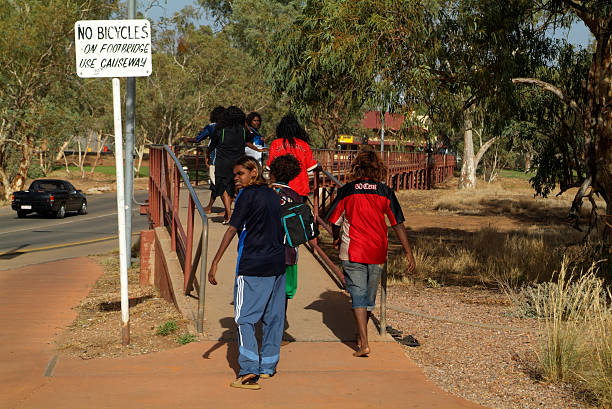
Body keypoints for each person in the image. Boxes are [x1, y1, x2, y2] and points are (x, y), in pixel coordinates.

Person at [325, 149, 416, 357]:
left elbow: (334, 220)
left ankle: (363, 340)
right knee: (367, 297)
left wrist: (336, 237)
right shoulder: (385, 192)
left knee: (357, 294)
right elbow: (398, 224)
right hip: (376, 250)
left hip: (352, 249)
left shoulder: (347, 190)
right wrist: (408, 252)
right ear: (379, 168)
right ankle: (362, 337)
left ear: (357, 167)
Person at [208, 156, 286, 390]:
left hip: (253, 265)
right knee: (274, 318)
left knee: (244, 319)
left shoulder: (246, 196)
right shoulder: (272, 195)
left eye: (240, 173)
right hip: (277, 264)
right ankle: (268, 367)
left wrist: (215, 260)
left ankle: (249, 370)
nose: (236, 179)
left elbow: (233, 228)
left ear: (254, 172)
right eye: (235, 175)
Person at [208, 106, 261, 223]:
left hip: (222, 163)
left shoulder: (220, 129)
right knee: (236, 187)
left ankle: (228, 213)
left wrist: (208, 156)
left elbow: (212, 145)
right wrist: (246, 125)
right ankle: (234, 213)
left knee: (223, 187)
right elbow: (250, 138)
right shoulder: (243, 130)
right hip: (238, 163)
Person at [269, 154, 303, 307]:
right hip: (289, 251)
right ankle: (279, 322)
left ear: (272, 174)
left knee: (267, 289)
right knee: (284, 292)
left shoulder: (267, 193)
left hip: (268, 249)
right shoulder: (297, 197)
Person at [266, 114, 318, 198]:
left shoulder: (275, 144)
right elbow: (311, 167)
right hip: (300, 189)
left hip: (280, 189)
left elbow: (270, 167)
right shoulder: (304, 144)